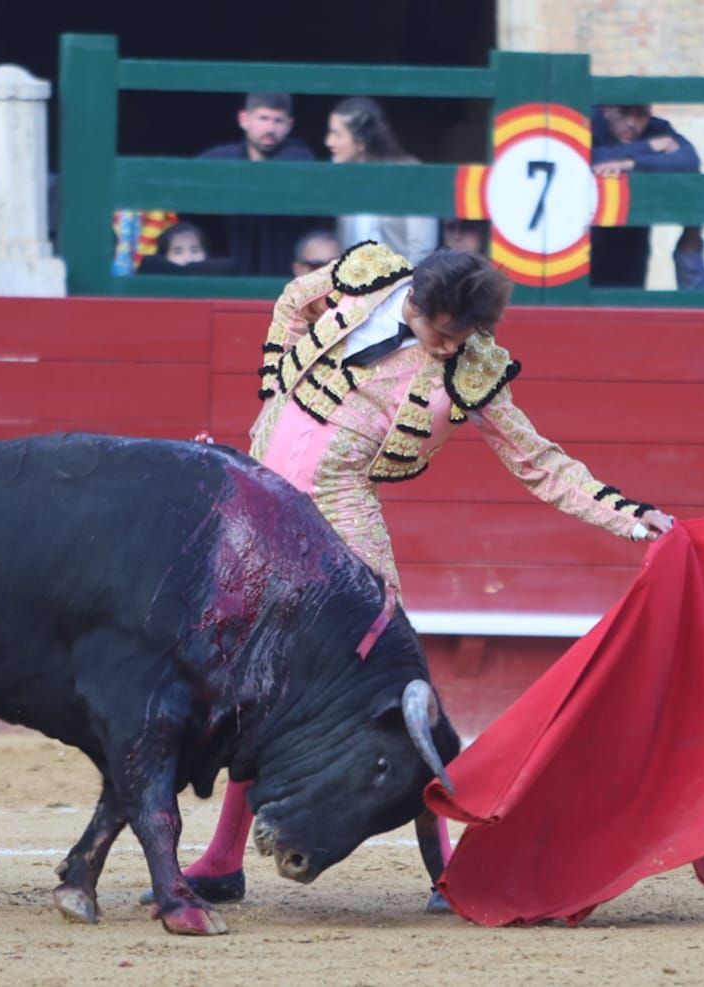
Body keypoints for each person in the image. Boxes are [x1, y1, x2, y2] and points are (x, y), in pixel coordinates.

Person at [159, 242, 675, 912]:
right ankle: (224, 858)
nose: (447, 348)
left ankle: (447, 868)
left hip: (338, 526)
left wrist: (628, 516)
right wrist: (273, 392)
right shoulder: (368, 277)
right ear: (416, 302)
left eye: (463, 338)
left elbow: (537, 460)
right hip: (257, 506)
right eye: (442, 333)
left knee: (394, 690)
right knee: (250, 689)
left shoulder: (470, 367)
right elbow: (291, 301)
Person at [196, 92, 319, 277]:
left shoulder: (300, 158)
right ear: (244, 119)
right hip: (230, 277)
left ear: (289, 125)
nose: (270, 128)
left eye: (278, 121)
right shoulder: (222, 158)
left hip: (284, 278)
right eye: (263, 118)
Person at [588, 104, 700, 288]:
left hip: (631, 239)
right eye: (624, 113)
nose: (632, 123)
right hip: (583, 236)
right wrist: (649, 146)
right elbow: (580, 156)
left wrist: (632, 164)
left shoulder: (656, 128)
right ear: (608, 111)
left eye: (640, 115)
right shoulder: (589, 122)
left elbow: (688, 160)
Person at [325, 96, 439, 264]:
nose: (328, 142)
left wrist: (404, 287)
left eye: (337, 134)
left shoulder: (410, 174)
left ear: (361, 142)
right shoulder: (342, 177)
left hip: (401, 284)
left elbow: (421, 247)